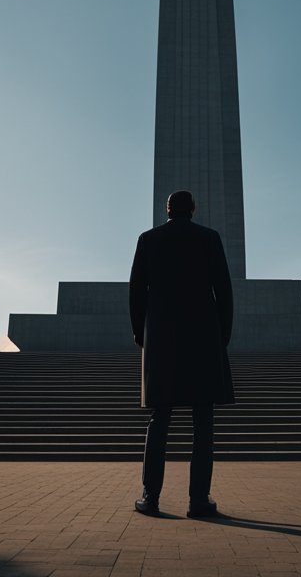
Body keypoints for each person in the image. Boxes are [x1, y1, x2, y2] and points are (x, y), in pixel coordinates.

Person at [129, 190, 234, 518]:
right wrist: (222, 337)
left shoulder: (149, 239)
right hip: (202, 339)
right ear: (193, 210)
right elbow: (225, 292)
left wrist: (140, 335)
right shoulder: (209, 238)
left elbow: (136, 292)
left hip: (161, 341)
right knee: (203, 422)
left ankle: (151, 497)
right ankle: (199, 501)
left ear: (168, 209)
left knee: (159, 419)